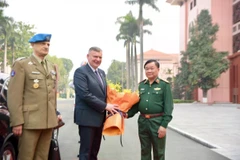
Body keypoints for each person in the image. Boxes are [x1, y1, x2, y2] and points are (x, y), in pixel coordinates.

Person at [7, 33, 61, 160]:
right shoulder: (22, 65)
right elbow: (14, 95)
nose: (46, 46)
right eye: (43, 44)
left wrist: (55, 113)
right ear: (32, 45)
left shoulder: (51, 66)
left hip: (48, 122)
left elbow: (51, 93)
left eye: (48, 44)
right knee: (26, 156)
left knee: (42, 156)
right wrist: (17, 122)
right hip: (30, 122)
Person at [73, 46, 118, 160]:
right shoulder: (80, 72)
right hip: (87, 119)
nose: (97, 59)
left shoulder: (102, 73)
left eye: (100, 57)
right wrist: (105, 106)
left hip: (99, 118)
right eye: (95, 56)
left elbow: (103, 94)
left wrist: (114, 105)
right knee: (85, 152)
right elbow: (85, 94)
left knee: (94, 152)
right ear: (88, 56)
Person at [126, 59, 174, 160]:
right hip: (143, 122)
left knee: (159, 152)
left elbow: (168, 107)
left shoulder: (164, 85)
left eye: (152, 68)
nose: (149, 71)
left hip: (157, 122)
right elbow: (137, 104)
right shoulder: (142, 85)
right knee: (144, 150)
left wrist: (164, 125)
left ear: (158, 69)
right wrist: (127, 114)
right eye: (147, 69)